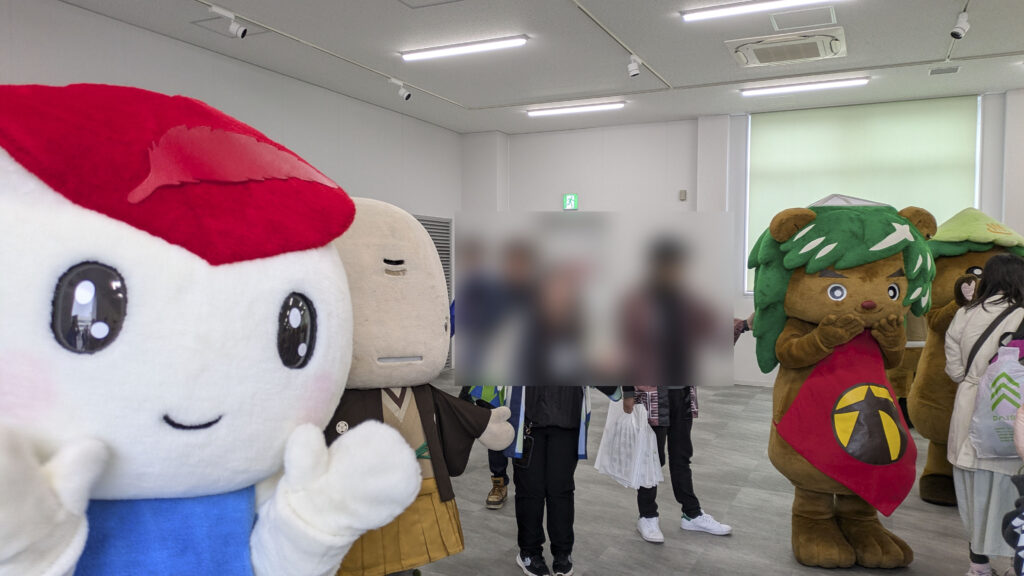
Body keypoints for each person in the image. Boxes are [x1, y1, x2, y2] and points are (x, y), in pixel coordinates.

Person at [504, 265, 618, 576]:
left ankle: (562, 552)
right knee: (530, 491)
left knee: (561, 490)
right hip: (528, 425)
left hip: (566, 423)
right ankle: (529, 552)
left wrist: (626, 390)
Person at [621, 239, 732, 544]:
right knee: (651, 458)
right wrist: (627, 391)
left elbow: (710, 330)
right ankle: (647, 516)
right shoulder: (637, 301)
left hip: (681, 392)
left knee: (682, 456)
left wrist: (745, 325)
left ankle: (692, 515)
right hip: (650, 394)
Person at [945, 253, 1024, 576]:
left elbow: (954, 371)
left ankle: (978, 566)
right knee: (1012, 492)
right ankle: (1014, 565)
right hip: (1011, 414)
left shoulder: (964, 314)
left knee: (972, 494)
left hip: (969, 406)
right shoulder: (1022, 315)